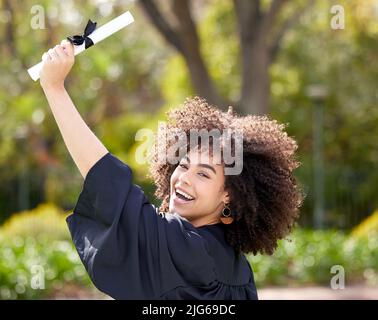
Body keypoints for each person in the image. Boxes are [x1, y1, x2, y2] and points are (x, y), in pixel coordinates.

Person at [40, 40, 303, 300]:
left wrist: (55, 88)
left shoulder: (188, 249)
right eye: (184, 165)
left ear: (230, 196)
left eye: (203, 174)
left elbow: (108, 182)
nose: (184, 179)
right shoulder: (236, 267)